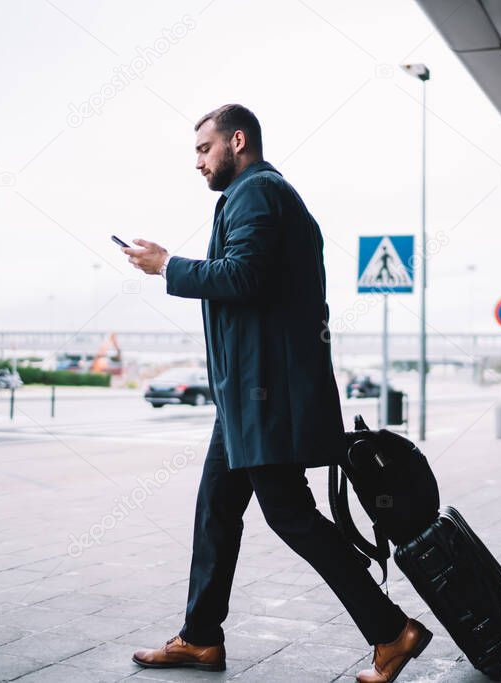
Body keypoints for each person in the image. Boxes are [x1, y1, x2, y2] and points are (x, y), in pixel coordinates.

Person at [122, 104, 429, 683]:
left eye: (204, 150)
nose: (198, 163)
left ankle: (391, 631)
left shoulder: (257, 193)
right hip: (248, 400)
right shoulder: (256, 197)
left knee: (290, 515)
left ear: (237, 141)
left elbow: (244, 276)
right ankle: (200, 637)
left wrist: (169, 266)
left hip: (264, 401)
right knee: (217, 508)